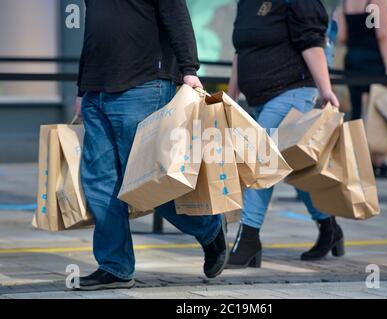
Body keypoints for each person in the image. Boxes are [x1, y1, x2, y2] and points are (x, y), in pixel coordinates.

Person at [74, 0, 229, 291]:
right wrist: (82, 87)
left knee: (152, 182)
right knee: (99, 182)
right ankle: (115, 267)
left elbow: (176, 14)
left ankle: (209, 229)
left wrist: (189, 68)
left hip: (143, 84)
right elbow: (93, 29)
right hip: (96, 89)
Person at [226, 0, 343, 269]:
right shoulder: (246, 3)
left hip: (292, 91)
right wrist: (230, 97)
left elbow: (312, 42)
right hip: (258, 98)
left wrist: (325, 90)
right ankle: (328, 226)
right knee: (293, 170)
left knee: (261, 161)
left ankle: (249, 239)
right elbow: (240, 51)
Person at [336, 0, 387, 178]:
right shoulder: (377, 3)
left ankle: (356, 160)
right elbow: (383, 35)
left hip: (353, 60)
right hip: (373, 61)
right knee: (376, 112)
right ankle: (377, 162)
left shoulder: (347, 4)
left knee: (356, 112)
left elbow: (341, 36)